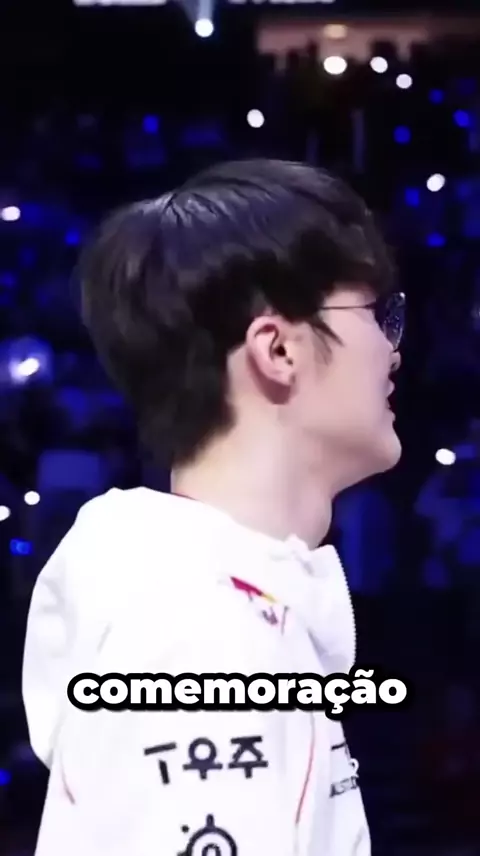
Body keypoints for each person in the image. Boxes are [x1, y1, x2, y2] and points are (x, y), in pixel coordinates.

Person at [22, 160, 405, 856]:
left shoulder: (223, 612)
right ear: (278, 349)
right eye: (377, 315)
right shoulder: (198, 633)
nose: (392, 350)